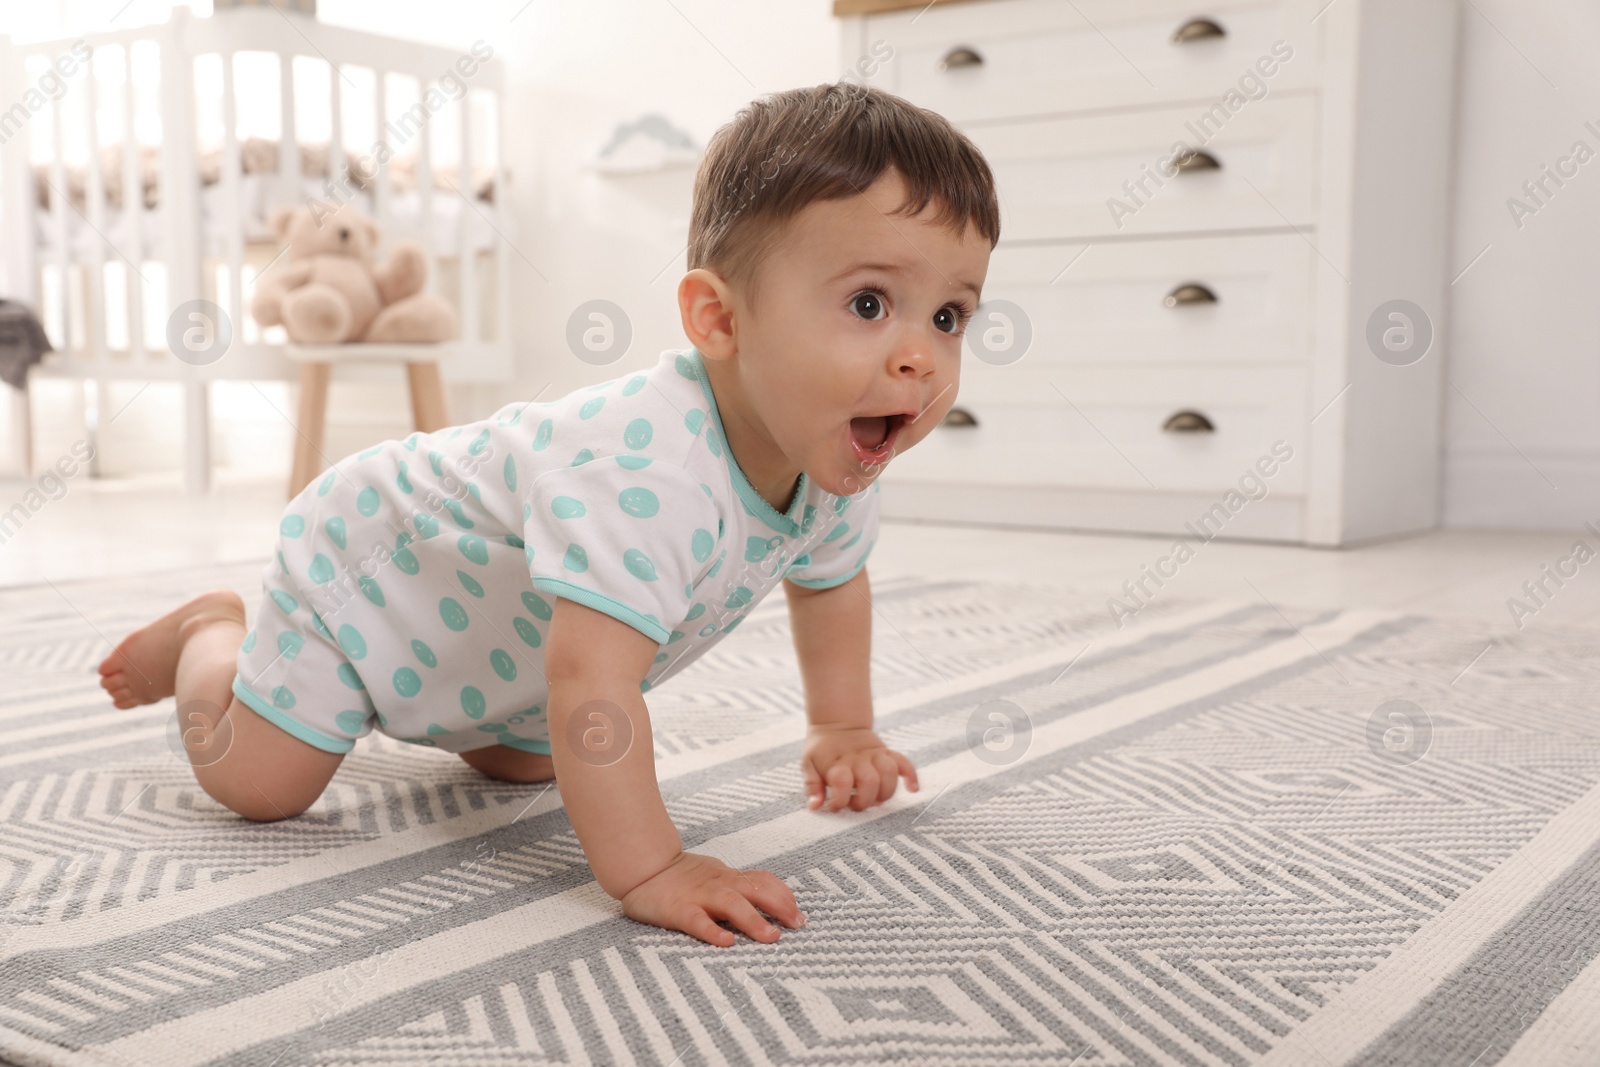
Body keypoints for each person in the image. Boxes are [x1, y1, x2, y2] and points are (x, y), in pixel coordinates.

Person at [98, 80, 1000, 948]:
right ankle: (211, 638)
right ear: (718, 320)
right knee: (261, 782)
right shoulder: (649, 474)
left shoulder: (834, 450)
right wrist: (653, 869)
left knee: (531, 757)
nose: (921, 356)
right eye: (871, 304)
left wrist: (842, 727)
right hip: (369, 559)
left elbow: (831, 582)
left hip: (491, 620)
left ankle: (464, 711)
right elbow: (594, 685)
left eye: (951, 315)